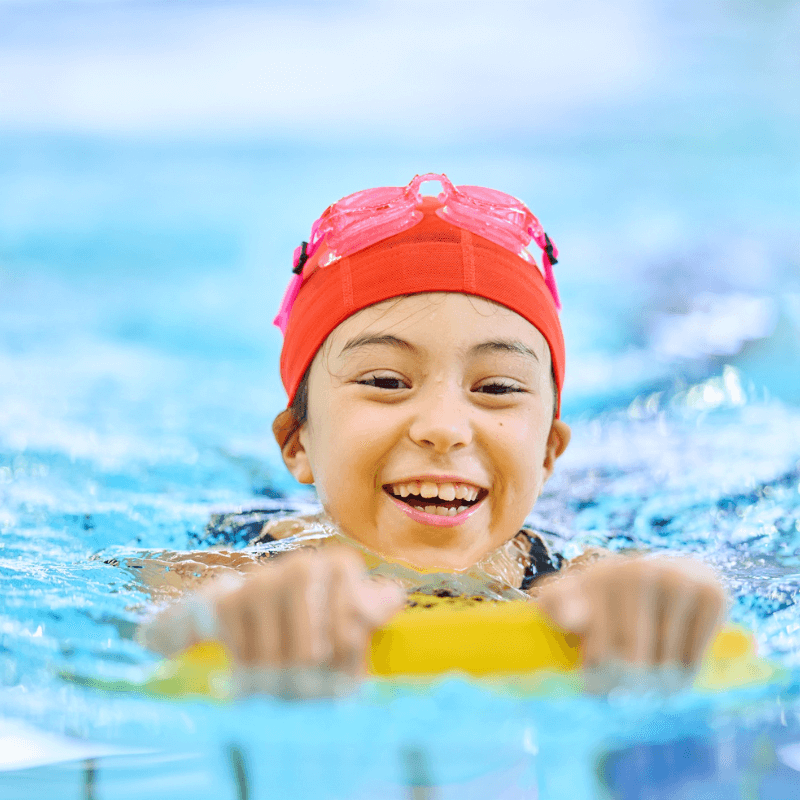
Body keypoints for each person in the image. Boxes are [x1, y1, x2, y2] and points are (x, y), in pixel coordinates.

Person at [138, 173, 725, 691]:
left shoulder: (584, 584)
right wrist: (215, 625)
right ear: (298, 443)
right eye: (387, 381)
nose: (444, 429)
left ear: (548, 454)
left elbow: (693, 590)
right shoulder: (227, 574)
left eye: (497, 388)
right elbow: (143, 633)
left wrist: (675, 596)